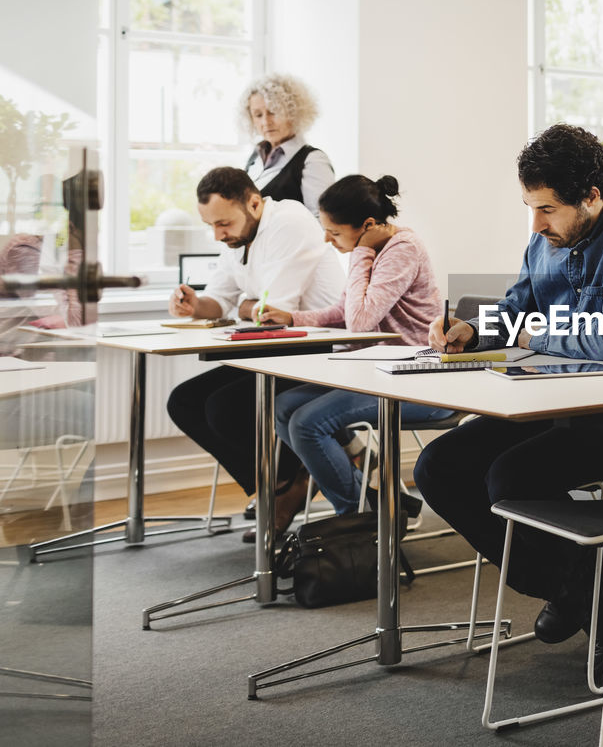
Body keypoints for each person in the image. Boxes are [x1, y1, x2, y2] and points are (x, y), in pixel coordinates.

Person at [415, 123, 603, 666]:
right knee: (438, 466)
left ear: (591, 197)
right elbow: (517, 307)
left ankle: (581, 586)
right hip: (556, 404)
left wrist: (533, 335)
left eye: (546, 209)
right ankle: (585, 583)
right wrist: (474, 330)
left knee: (510, 477)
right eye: (529, 206)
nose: (535, 222)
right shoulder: (546, 234)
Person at [165, 167, 345, 540]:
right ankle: (285, 481)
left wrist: (244, 308)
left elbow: (269, 310)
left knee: (223, 408)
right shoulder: (237, 237)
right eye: (211, 226)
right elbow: (223, 301)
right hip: (276, 350)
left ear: (254, 202)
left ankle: (291, 481)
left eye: (223, 224)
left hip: (321, 350)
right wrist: (195, 305)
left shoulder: (289, 223)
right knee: (184, 402)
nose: (218, 234)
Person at [258, 174, 453, 518]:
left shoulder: (401, 249)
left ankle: (358, 517)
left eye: (334, 232)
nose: (327, 239)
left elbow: (360, 322)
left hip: (418, 381)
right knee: (284, 406)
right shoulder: (368, 251)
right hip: (378, 374)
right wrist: (291, 317)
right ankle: (371, 501)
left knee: (306, 423)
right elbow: (344, 311)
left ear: (366, 225)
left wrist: (361, 253)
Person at [240, 73, 335, 216]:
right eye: (258, 115)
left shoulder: (313, 161)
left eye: (273, 112)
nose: (266, 122)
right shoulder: (255, 156)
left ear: (293, 112)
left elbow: (322, 221)